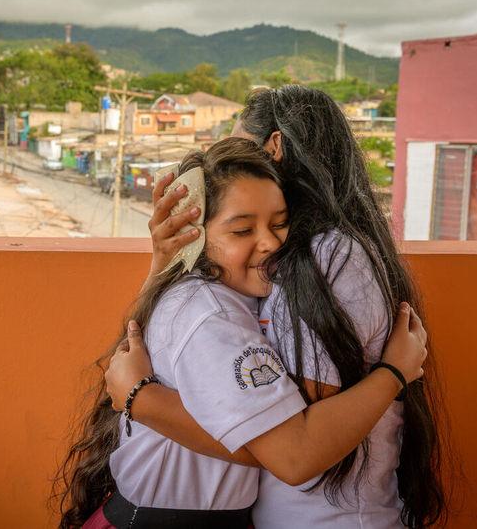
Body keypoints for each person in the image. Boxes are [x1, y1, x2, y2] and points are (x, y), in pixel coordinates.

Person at [104, 85, 448, 529]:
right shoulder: (265, 271)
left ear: (276, 146)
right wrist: (166, 262)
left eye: (236, 146)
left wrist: (144, 400)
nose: (224, 166)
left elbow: (289, 445)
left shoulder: (322, 258)